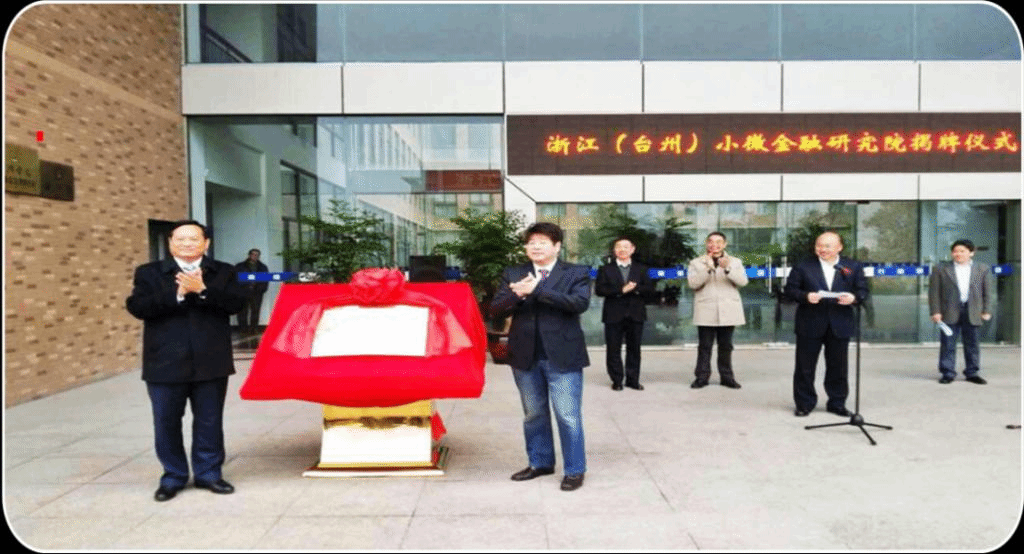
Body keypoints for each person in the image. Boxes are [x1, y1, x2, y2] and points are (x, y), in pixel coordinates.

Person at [126, 220, 246, 501]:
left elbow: (236, 304)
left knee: (209, 421)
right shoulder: (149, 272)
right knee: (166, 422)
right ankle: (173, 476)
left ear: (206, 243)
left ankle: (209, 474)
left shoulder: (224, 271)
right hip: (164, 362)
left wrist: (203, 290)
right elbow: (138, 307)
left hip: (211, 360)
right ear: (170, 244)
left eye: (194, 239)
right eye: (180, 239)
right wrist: (178, 293)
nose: (187, 244)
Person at [490, 222, 591, 492]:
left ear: (557, 247)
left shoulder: (575, 272)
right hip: (525, 354)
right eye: (531, 242)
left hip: (563, 354)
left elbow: (579, 303)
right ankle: (540, 462)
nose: (535, 247)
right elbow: (496, 309)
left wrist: (537, 290)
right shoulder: (514, 273)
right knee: (533, 414)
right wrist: (516, 294)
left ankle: (574, 470)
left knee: (567, 415)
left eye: (542, 242)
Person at [783, 231, 869, 417]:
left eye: (827, 246)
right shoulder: (803, 266)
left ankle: (837, 403)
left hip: (840, 323)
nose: (822, 249)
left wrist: (854, 298)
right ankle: (804, 403)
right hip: (810, 322)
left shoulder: (852, 266)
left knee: (838, 367)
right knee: (805, 367)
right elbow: (790, 290)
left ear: (839, 247)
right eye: (819, 245)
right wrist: (806, 296)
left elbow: (863, 291)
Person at [687, 231, 748, 389]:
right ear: (706, 243)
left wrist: (728, 268)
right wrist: (707, 268)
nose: (714, 245)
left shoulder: (735, 262)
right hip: (706, 308)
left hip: (728, 309)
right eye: (711, 241)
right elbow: (693, 284)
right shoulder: (696, 262)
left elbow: (743, 282)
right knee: (704, 346)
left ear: (724, 244)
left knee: (726, 346)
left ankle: (727, 377)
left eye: (718, 242)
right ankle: (701, 377)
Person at [928, 239, 993, 384]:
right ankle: (947, 373)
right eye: (955, 251)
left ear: (971, 253)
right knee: (948, 344)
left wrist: (987, 310)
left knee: (973, 344)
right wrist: (935, 311)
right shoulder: (941, 269)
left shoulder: (982, 269)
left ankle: (972, 373)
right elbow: (934, 292)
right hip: (949, 311)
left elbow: (988, 292)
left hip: (973, 311)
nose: (958, 254)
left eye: (962, 251)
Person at [595, 236, 654, 391]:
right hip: (613, 314)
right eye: (618, 247)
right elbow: (600, 290)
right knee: (613, 349)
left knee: (634, 349)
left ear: (632, 249)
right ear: (614, 250)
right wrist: (621, 290)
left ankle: (633, 380)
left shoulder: (641, 268)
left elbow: (649, 289)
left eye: (626, 247)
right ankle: (617, 380)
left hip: (636, 314)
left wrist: (634, 289)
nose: (622, 249)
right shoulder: (605, 269)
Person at [234, 248, 269, 333]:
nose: (254, 256)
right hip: (243, 292)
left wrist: (261, 290)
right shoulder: (240, 266)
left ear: (259, 256)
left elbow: (265, 280)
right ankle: (243, 329)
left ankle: (254, 329)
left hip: (257, 292)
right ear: (249, 255)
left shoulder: (262, 267)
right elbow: (234, 278)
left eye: (256, 255)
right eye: (253, 254)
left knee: (255, 311)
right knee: (242, 312)